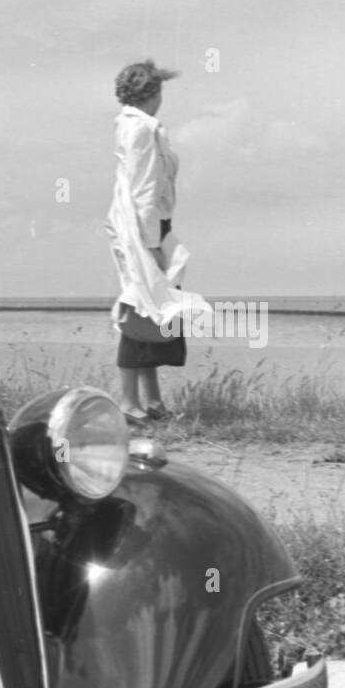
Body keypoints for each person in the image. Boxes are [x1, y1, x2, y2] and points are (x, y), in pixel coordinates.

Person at [105, 59, 207, 426]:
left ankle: (151, 400)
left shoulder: (134, 127)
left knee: (153, 306)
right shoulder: (142, 130)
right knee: (143, 306)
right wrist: (150, 244)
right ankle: (130, 403)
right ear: (153, 92)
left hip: (144, 225)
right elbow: (145, 189)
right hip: (144, 227)